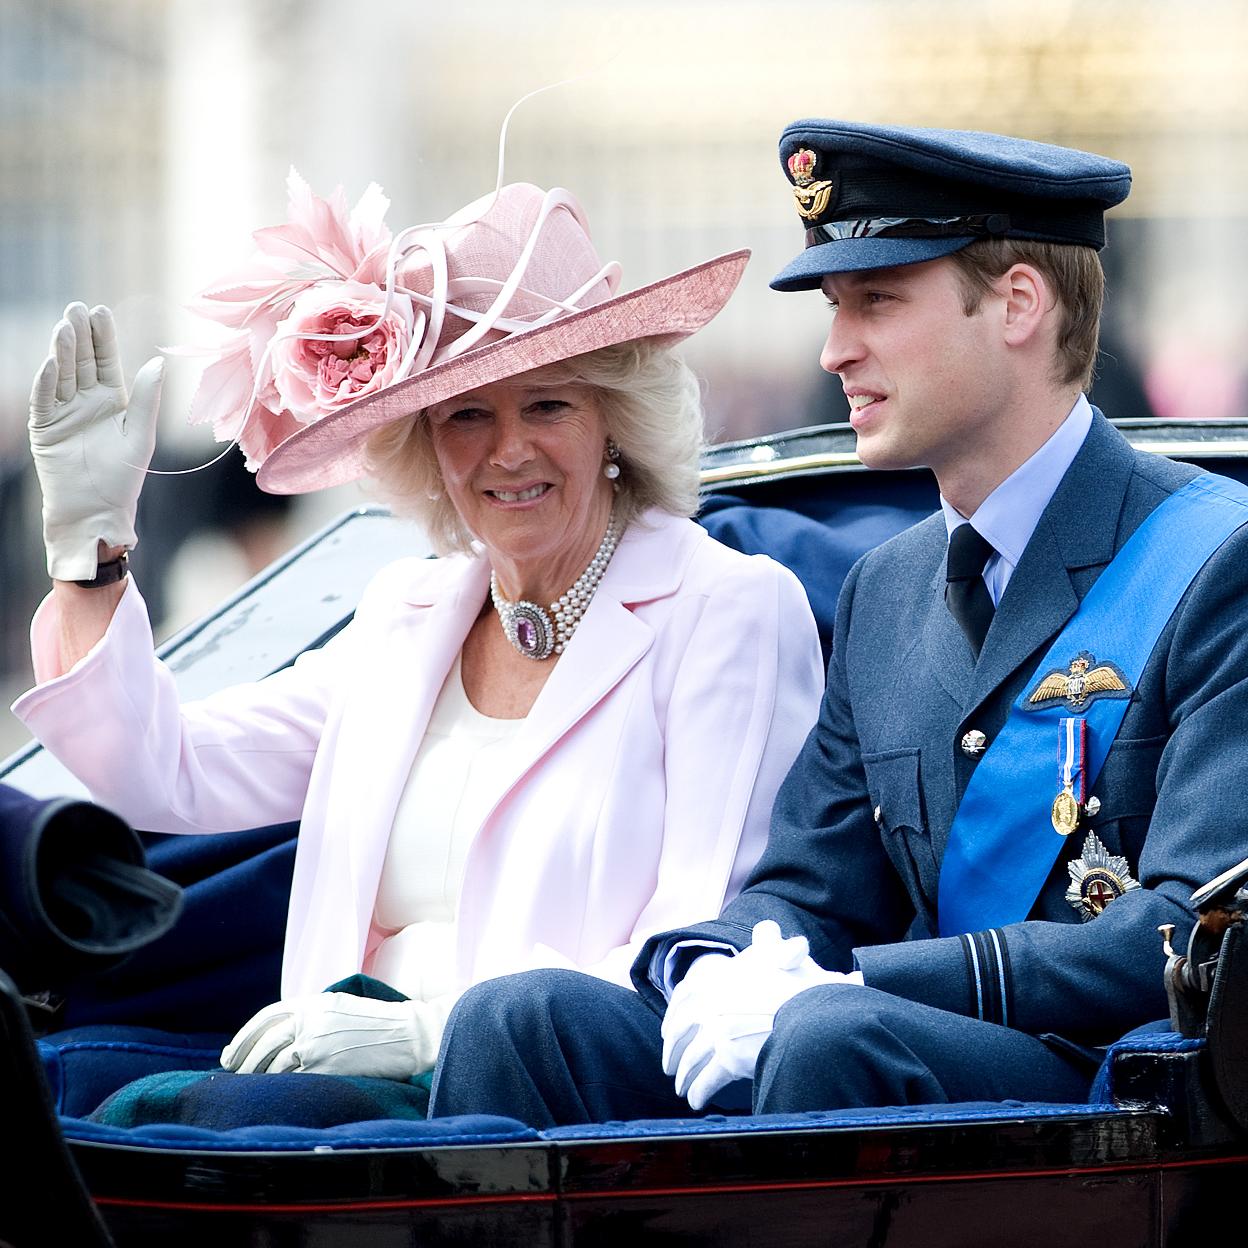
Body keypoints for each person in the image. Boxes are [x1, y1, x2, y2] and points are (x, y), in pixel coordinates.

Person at [427, 120, 1248, 1126]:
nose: (833, 350)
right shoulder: (887, 590)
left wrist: (857, 988)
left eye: (877, 302)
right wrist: (725, 964)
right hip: (883, 1050)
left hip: (1099, 1090)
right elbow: (809, 890)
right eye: (832, 306)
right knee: (520, 1019)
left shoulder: (1216, 562)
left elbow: (1181, 936)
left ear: (1019, 305)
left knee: (826, 1035)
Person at [11, 176, 823, 1100]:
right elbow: (166, 768)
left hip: (539, 1107)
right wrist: (89, 550)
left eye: (548, 405)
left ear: (614, 423)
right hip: (328, 1095)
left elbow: (704, 950)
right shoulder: (405, 614)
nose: (507, 450)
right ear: (426, 447)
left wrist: (427, 1030)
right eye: (466, 414)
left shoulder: (727, 608)